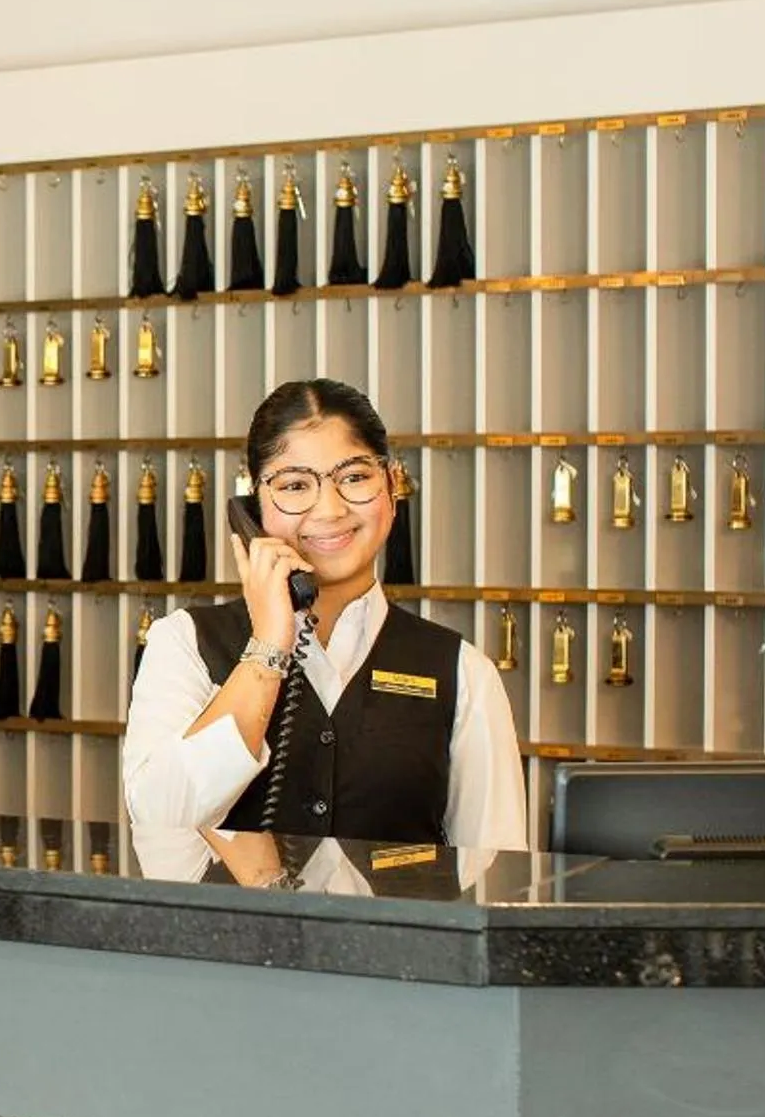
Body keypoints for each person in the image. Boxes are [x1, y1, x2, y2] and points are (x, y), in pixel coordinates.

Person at [122, 378, 526, 885]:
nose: (330, 509)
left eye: (353, 478)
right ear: (253, 504)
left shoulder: (464, 671)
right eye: (294, 485)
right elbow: (160, 813)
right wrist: (268, 647)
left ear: (392, 487)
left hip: (398, 959)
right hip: (228, 959)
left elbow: (496, 874)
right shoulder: (183, 643)